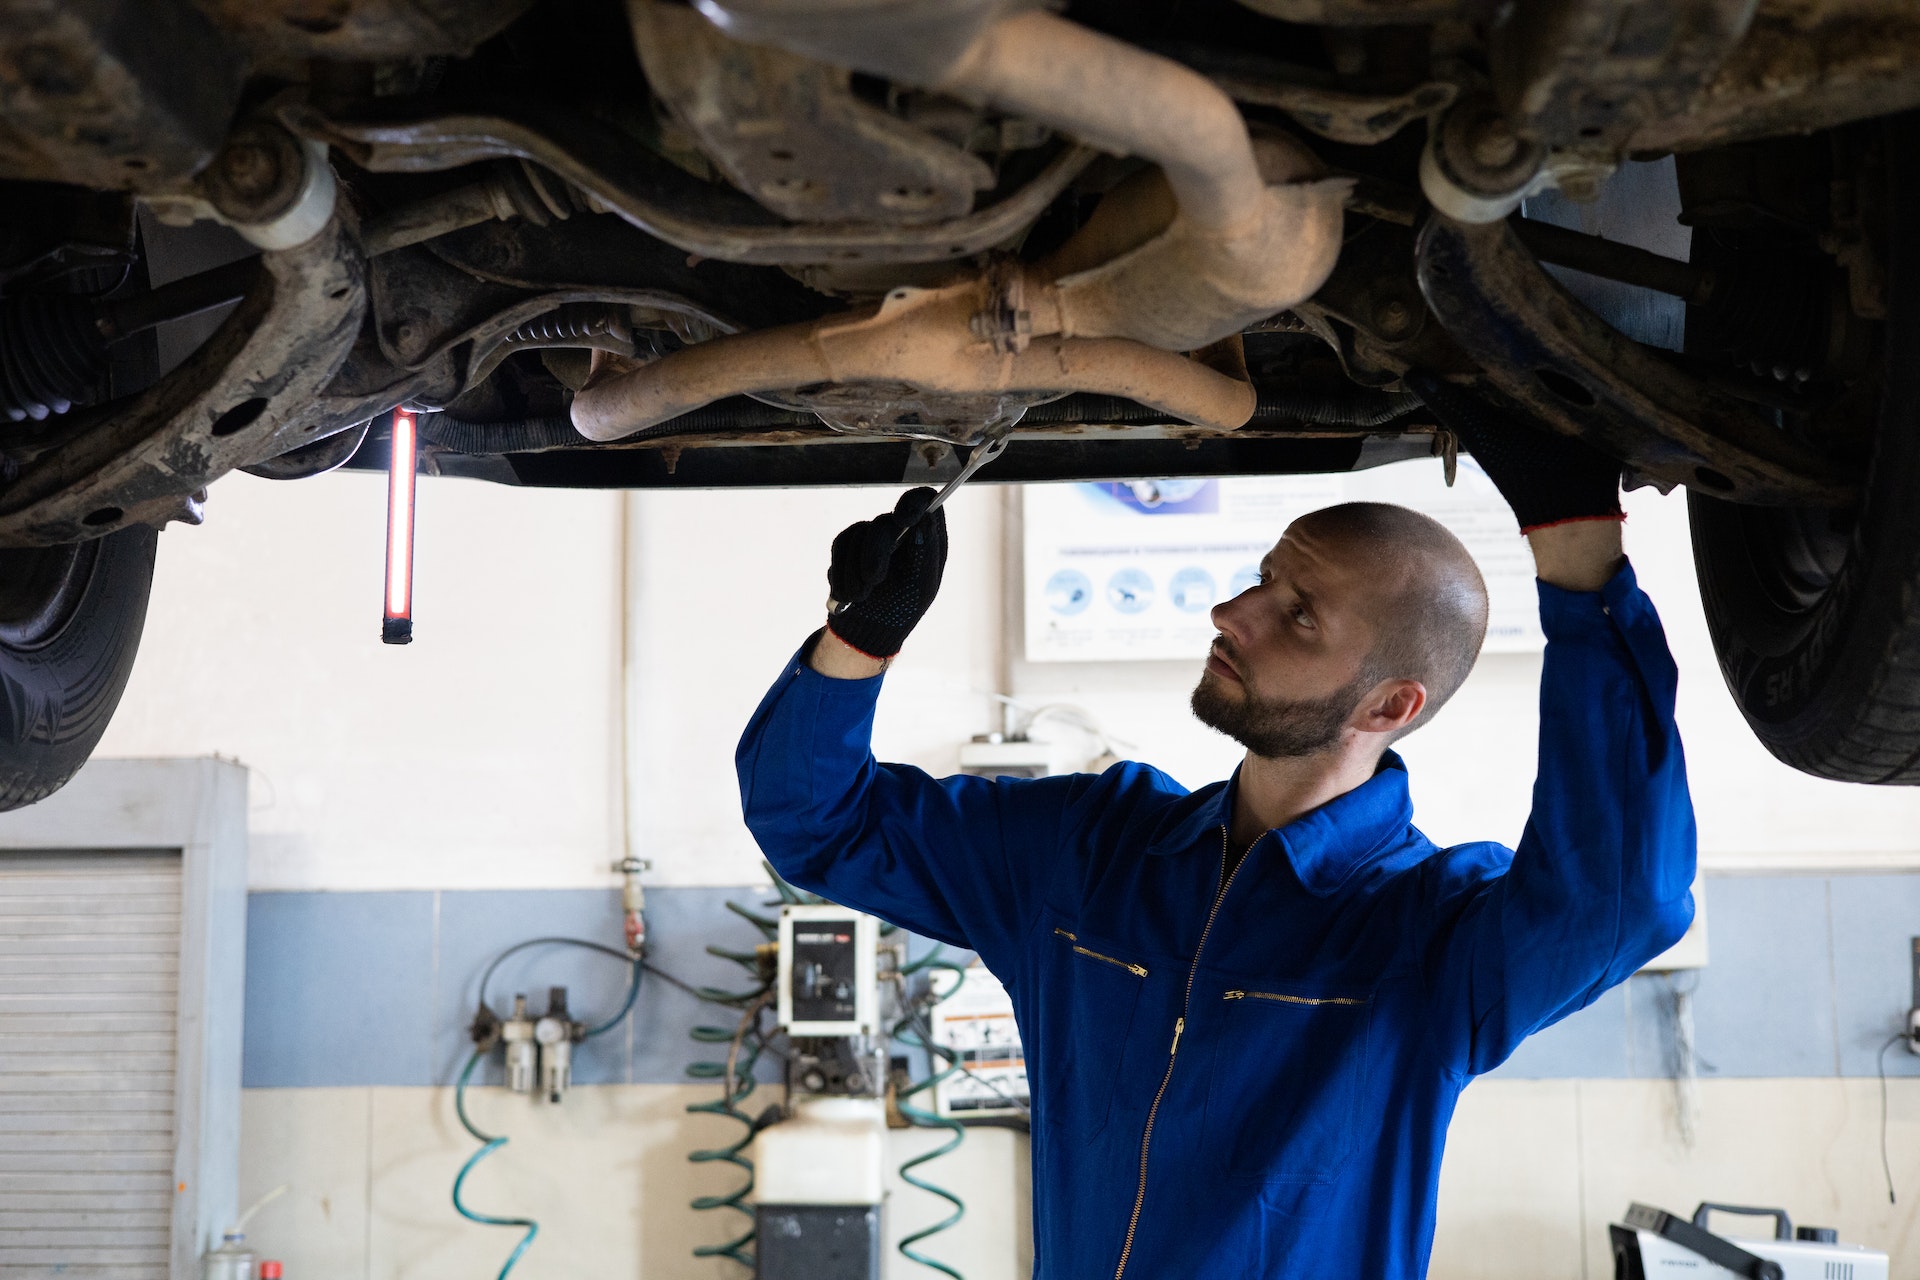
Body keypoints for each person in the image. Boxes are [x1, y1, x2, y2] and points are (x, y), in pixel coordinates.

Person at [735, 399, 1696, 1279]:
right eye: (1260, 582)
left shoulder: (1428, 938)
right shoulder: (1090, 853)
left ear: (1390, 704)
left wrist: (1580, 557)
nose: (1232, 614)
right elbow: (815, 822)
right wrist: (861, 638)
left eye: (1297, 615)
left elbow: (1621, 902)